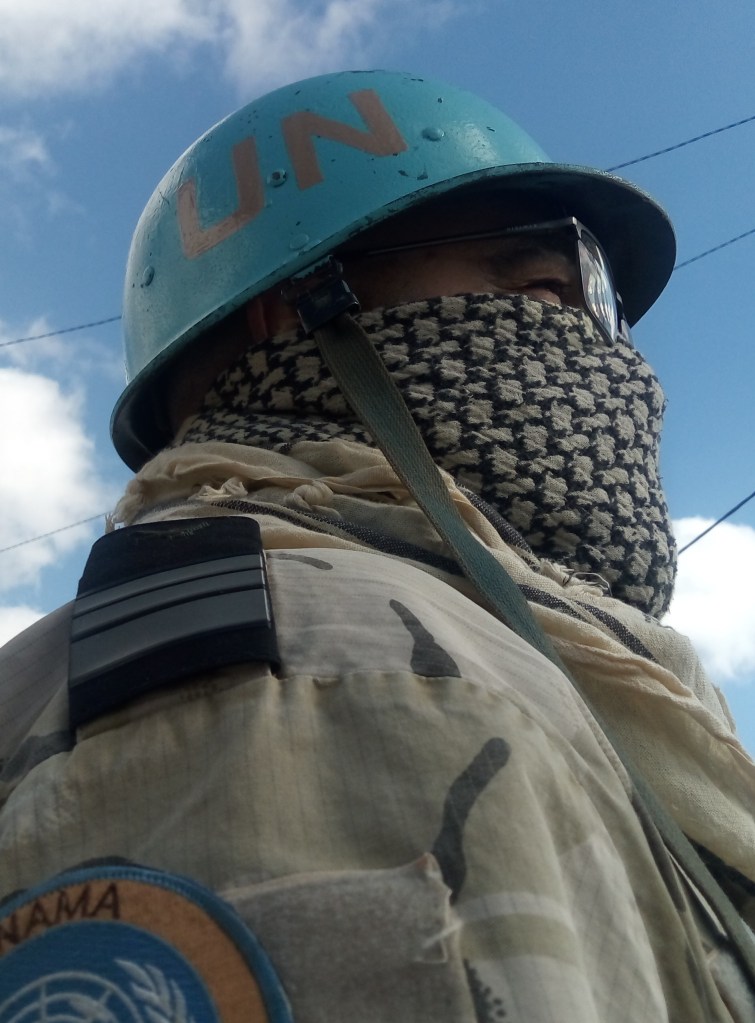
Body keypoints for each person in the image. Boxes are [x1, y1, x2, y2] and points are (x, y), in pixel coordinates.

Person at [1, 70, 755, 1021]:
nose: (610, 356)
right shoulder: (315, 671)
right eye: (543, 287)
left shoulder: (505, 650)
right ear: (298, 311)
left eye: (598, 302)